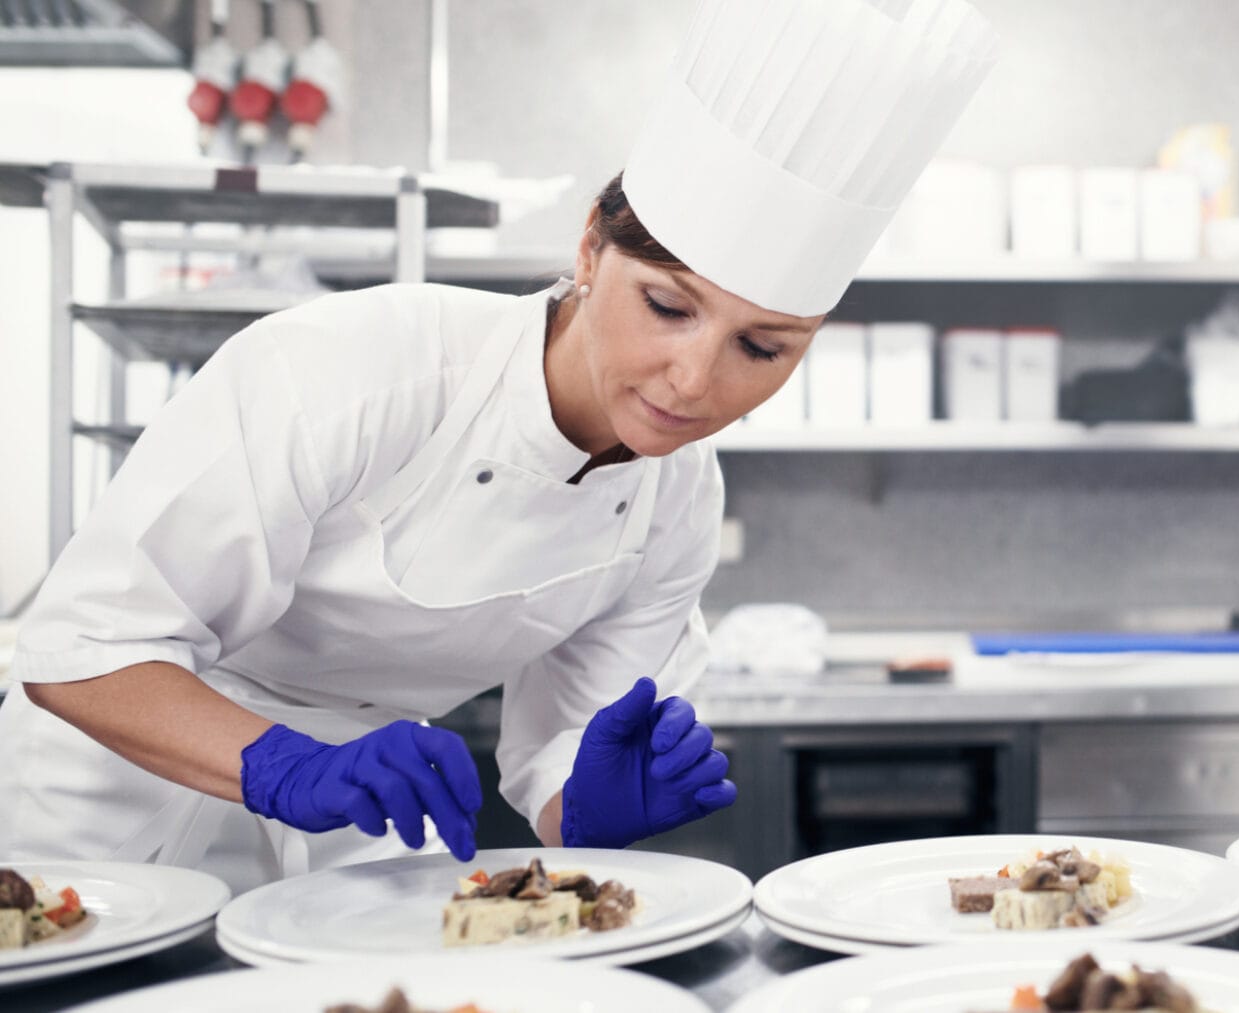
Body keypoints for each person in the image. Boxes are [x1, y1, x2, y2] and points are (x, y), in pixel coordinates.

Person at [0, 0, 997, 892]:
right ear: (588, 251)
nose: (698, 379)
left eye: (761, 346)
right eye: (665, 306)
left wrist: (598, 809)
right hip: (112, 786)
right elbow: (82, 644)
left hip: (367, 804)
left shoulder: (677, 498)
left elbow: (563, 764)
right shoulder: (359, 367)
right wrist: (287, 763)